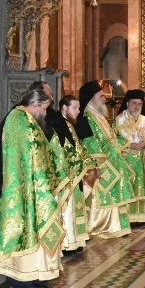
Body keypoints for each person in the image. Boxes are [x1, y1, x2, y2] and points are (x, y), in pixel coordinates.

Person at [0, 89, 63, 288]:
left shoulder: (24, 119)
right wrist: (45, 186)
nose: (45, 113)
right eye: (44, 108)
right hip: (23, 189)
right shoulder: (21, 121)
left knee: (31, 233)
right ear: (34, 105)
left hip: (28, 187)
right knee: (22, 233)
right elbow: (32, 159)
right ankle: (22, 280)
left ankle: (35, 274)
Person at [76, 80, 136, 239]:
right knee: (104, 194)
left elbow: (110, 137)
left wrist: (122, 145)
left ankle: (117, 226)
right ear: (91, 98)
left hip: (112, 159)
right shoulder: (85, 117)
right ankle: (102, 226)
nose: (104, 98)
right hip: (101, 162)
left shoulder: (98, 115)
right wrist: (109, 155)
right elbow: (89, 142)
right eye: (101, 95)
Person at [50, 95, 95, 254]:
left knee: (76, 208)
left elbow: (79, 149)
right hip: (67, 176)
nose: (78, 111)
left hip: (76, 174)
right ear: (64, 108)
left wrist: (90, 163)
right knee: (68, 209)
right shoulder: (58, 125)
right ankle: (68, 243)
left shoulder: (70, 124)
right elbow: (64, 152)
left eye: (78, 108)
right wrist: (83, 165)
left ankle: (76, 240)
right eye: (75, 108)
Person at [114, 89, 145, 224]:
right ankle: (127, 218)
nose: (137, 106)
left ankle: (140, 217)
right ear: (127, 103)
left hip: (141, 161)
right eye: (134, 103)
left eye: (139, 104)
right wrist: (130, 145)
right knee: (127, 188)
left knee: (140, 187)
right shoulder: (118, 121)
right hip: (125, 162)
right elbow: (113, 139)